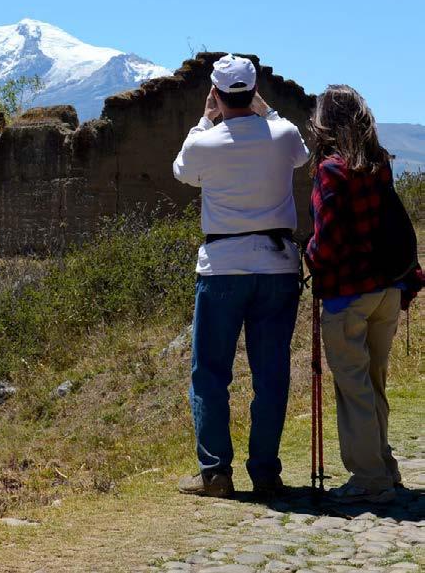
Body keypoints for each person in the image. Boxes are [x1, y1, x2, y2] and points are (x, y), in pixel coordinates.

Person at [173, 54, 309, 498]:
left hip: (222, 267)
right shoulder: (282, 134)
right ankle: (265, 472)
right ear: (254, 92)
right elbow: (302, 155)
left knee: (211, 373)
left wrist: (204, 120)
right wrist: (267, 112)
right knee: (271, 372)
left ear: (215, 93)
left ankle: (215, 473)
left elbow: (182, 171)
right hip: (277, 268)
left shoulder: (205, 143)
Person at [305, 84, 424, 504]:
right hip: (387, 289)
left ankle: (369, 477)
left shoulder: (331, 171)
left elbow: (326, 242)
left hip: (348, 294)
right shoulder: (379, 164)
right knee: (374, 382)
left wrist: (307, 254)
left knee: (353, 387)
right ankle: (384, 466)